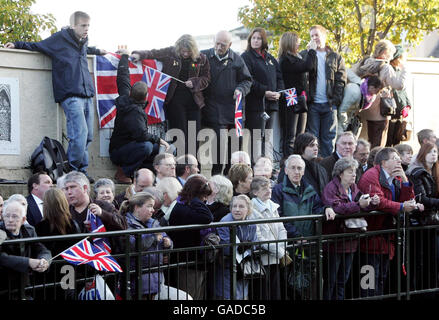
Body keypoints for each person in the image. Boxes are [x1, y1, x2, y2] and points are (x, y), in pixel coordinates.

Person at [5, 11, 107, 182]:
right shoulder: (59, 39)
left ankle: (81, 170)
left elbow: (81, 52)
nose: (86, 29)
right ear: (73, 25)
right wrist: (17, 44)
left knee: (88, 136)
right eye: (83, 25)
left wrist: (97, 50)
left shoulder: (82, 41)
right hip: (70, 94)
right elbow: (38, 45)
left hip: (87, 93)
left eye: (88, 26)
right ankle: (73, 172)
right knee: (79, 134)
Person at [131, 34, 210, 156]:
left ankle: (194, 165)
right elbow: (153, 53)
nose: (185, 54)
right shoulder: (170, 53)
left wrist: (195, 82)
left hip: (194, 102)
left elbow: (206, 78)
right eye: (183, 51)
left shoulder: (202, 59)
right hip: (175, 101)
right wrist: (139, 54)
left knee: (194, 135)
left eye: (188, 52)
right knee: (179, 134)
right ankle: (180, 164)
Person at [357, 147, 420, 297]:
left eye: (399, 159)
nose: (399, 162)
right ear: (384, 162)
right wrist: (401, 207)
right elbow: (380, 202)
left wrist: (405, 182)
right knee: (369, 282)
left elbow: (407, 200)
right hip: (370, 239)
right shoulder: (372, 175)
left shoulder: (397, 176)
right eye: (395, 159)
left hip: (386, 239)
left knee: (381, 279)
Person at [321, 158, 380, 300]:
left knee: (342, 280)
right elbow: (336, 208)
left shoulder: (353, 188)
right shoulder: (331, 188)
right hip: (335, 241)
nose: (354, 175)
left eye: (354, 171)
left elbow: (361, 204)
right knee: (331, 282)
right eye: (350, 172)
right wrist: (359, 205)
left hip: (350, 240)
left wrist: (372, 203)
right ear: (340, 173)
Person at [109, 49, 169, 183]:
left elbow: (123, 77)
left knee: (156, 149)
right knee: (147, 146)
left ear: (131, 92)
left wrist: (124, 57)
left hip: (126, 147)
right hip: (119, 152)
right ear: (146, 97)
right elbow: (141, 136)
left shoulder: (125, 97)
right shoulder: (135, 112)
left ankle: (146, 175)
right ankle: (123, 172)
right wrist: (159, 139)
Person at [120, 192, 191, 300]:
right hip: (138, 279)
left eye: (153, 207)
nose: (153, 210)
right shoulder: (126, 223)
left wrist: (168, 243)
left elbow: (165, 240)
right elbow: (134, 246)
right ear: (137, 207)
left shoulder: (154, 223)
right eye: (149, 206)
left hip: (155, 277)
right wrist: (153, 237)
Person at [201, 30, 253, 176]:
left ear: (229, 45)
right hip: (212, 109)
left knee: (236, 144)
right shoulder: (203, 56)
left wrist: (240, 89)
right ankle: (216, 175)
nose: (219, 47)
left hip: (233, 109)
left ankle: (231, 175)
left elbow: (247, 80)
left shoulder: (236, 59)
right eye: (217, 43)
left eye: (223, 45)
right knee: (218, 144)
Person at [302, 25, 346, 158]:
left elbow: (341, 81)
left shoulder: (335, 57)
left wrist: (335, 101)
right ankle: (314, 168)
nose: (314, 38)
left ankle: (327, 170)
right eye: (312, 36)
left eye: (317, 35)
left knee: (328, 140)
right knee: (312, 140)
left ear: (324, 36)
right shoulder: (306, 55)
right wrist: (310, 53)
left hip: (329, 105)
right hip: (313, 104)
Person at [241, 28, 284, 163]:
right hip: (255, 105)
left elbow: (279, 77)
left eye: (258, 38)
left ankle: (266, 166)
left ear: (263, 40)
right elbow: (248, 79)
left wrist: (279, 92)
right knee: (256, 138)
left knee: (267, 137)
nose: (255, 40)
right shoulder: (246, 57)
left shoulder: (270, 58)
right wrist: (264, 92)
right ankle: (255, 166)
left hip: (271, 105)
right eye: (253, 38)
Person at [167, 175, 214, 299]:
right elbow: (208, 217)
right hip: (187, 264)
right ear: (196, 195)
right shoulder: (183, 208)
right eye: (203, 196)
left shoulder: (187, 205)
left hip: (194, 262)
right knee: (189, 296)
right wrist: (195, 200)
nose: (205, 200)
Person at [357, 40, 408, 148]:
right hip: (380, 111)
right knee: (378, 144)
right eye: (391, 53)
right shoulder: (385, 67)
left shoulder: (366, 62)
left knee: (366, 142)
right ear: (385, 52)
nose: (392, 56)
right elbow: (399, 85)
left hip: (364, 107)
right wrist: (404, 70)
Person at [272, 155, 336, 239]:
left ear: (303, 172)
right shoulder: (278, 190)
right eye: (293, 168)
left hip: (308, 242)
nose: (296, 172)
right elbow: (278, 217)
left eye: (299, 168)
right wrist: (296, 235)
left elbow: (317, 209)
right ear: (286, 170)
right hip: (287, 242)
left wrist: (326, 209)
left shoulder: (310, 190)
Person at [0, 199, 51, 299]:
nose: (10, 219)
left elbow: (42, 249)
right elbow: (1, 257)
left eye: (14, 216)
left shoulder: (28, 231)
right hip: (4, 288)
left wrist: (44, 260)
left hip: (25, 288)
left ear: (23, 220)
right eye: (7, 216)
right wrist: (29, 262)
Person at [406, 142, 439, 290]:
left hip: (432, 222)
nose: (434, 154)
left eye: (435, 152)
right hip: (419, 222)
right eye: (430, 152)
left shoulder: (435, 171)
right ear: (423, 154)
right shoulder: (417, 172)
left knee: (433, 260)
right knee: (420, 260)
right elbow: (421, 198)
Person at [248, 176, 287, 300]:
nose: (268, 190)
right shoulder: (252, 210)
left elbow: (281, 228)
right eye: (264, 188)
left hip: (276, 257)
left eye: (269, 187)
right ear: (255, 192)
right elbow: (258, 237)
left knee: (276, 292)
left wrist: (282, 247)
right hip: (262, 258)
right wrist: (279, 251)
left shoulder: (273, 206)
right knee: (263, 293)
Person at [278, 31, 316, 156]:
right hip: (290, 96)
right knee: (291, 134)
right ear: (290, 43)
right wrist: (312, 51)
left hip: (300, 97)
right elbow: (307, 66)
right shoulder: (285, 60)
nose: (299, 43)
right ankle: (289, 160)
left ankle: (300, 159)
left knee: (301, 134)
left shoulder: (296, 57)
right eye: (296, 41)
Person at [215, 194, 258, 300]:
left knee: (243, 296)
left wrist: (246, 249)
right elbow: (226, 247)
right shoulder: (225, 222)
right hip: (228, 267)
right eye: (234, 206)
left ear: (248, 209)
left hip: (245, 267)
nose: (237, 210)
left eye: (241, 206)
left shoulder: (251, 223)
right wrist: (244, 246)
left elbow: (255, 244)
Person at [61, 171, 126, 233]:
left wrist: (102, 215)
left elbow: (123, 225)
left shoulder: (103, 206)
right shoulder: (64, 211)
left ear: (85, 188)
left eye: (72, 187)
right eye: (66, 189)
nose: (69, 192)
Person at [386, 45, 412, 147]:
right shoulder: (389, 70)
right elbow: (395, 91)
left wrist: (408, 105)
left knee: (398, 139)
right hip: (392, 111)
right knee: (389, 139)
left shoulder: (399, 71)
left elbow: (403, 91)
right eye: (402, 57)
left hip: (400, 113)